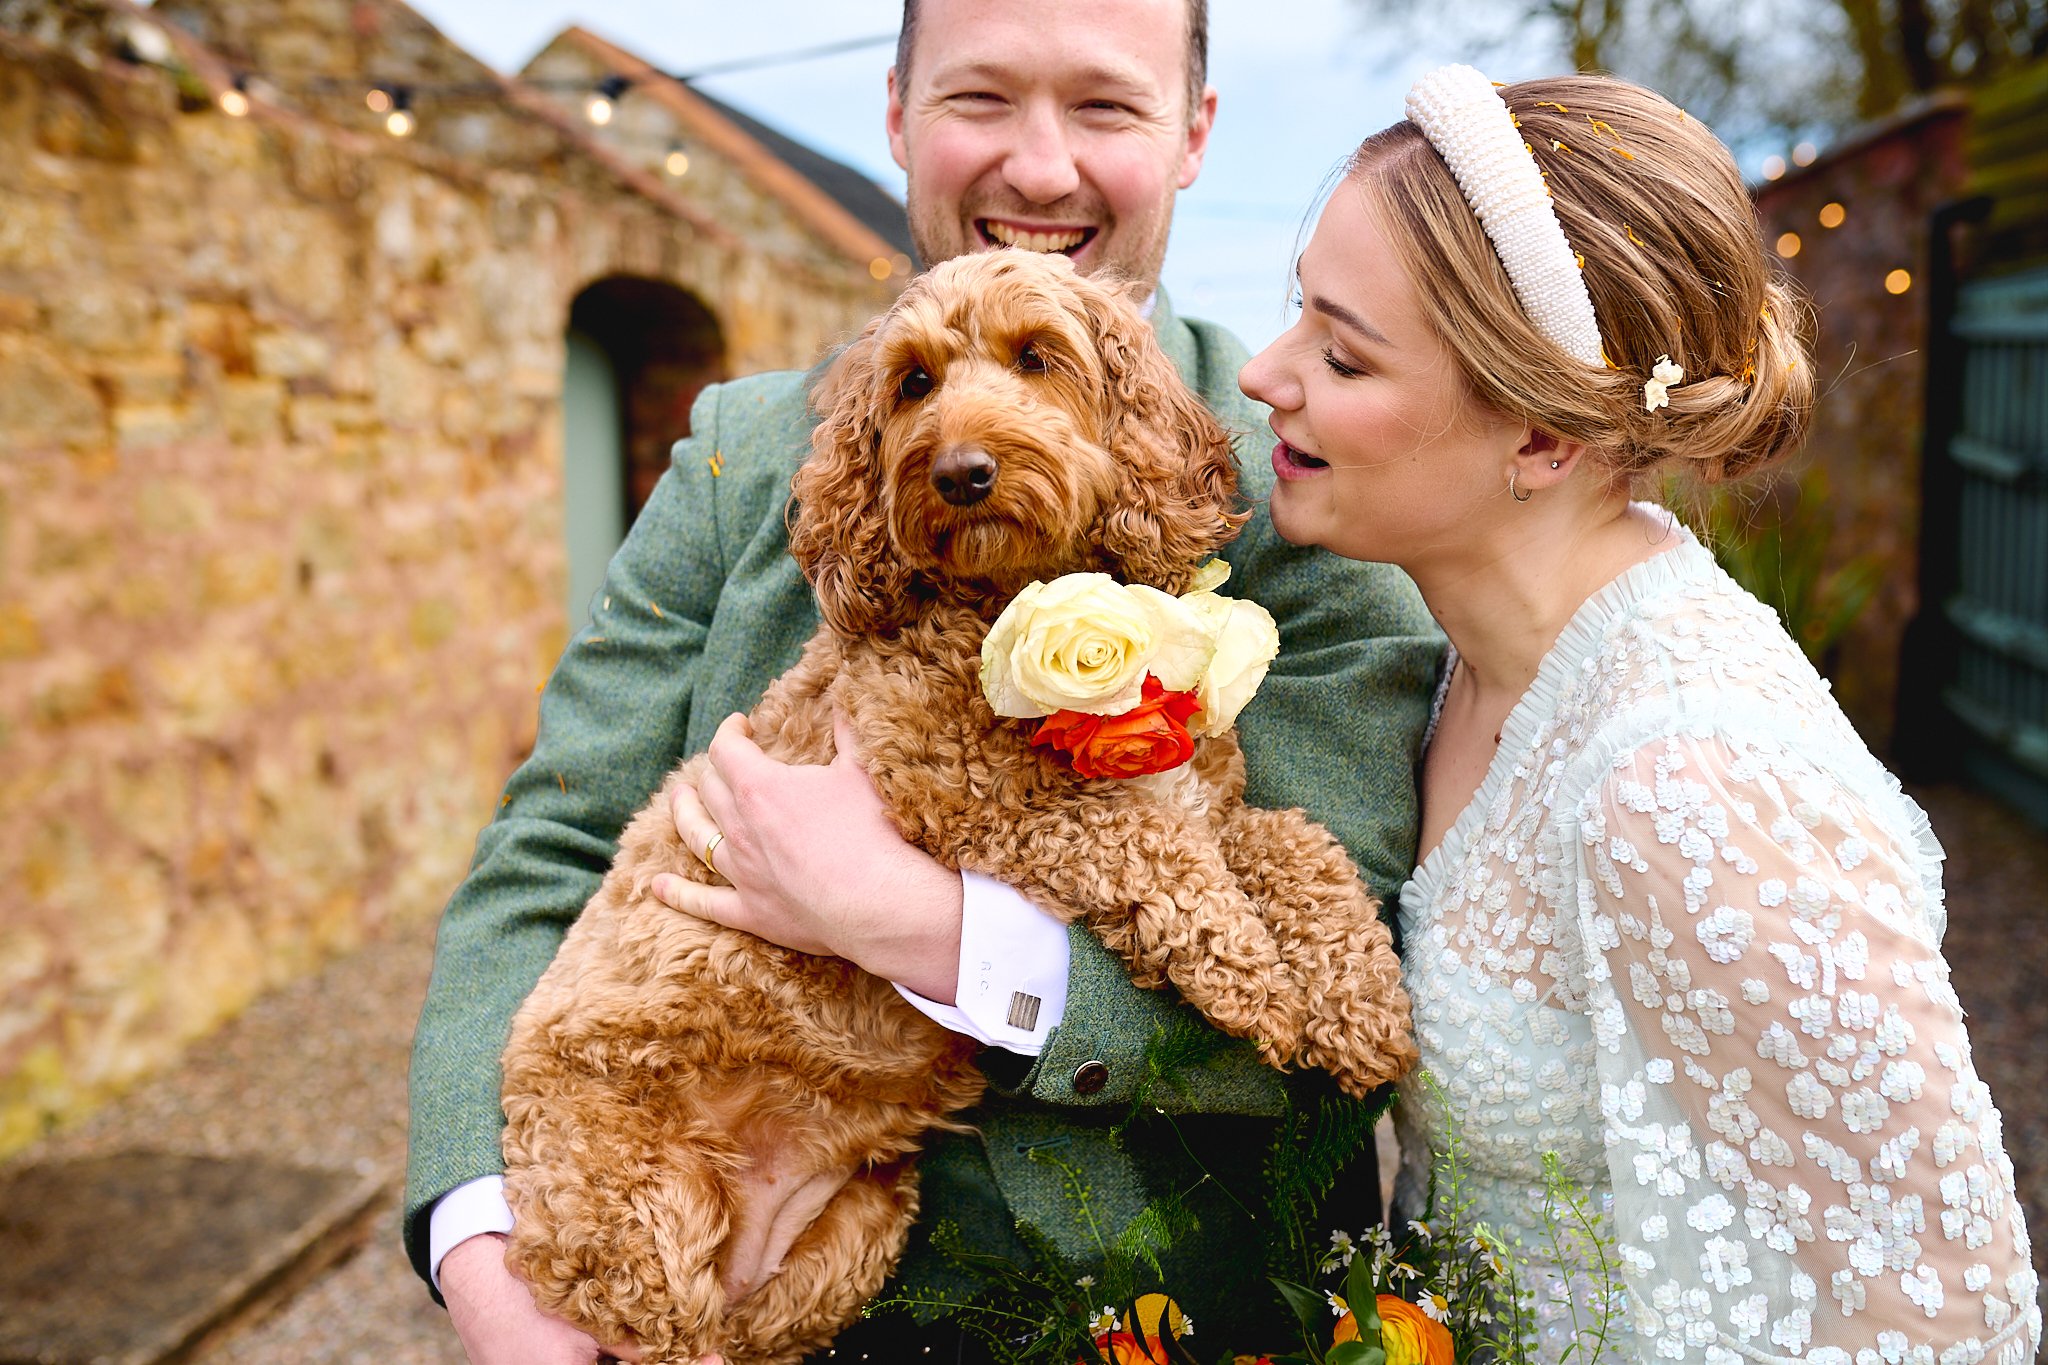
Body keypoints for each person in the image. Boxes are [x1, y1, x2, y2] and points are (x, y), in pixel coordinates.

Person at [405, 2, 1443, 1361]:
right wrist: (487, 1255)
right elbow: (545, 850)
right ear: (895, 113)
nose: (1040, 167)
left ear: (1193, 134)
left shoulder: (1299, 467)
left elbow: (1364, 958)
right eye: (981, 100)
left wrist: (928, 927)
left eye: (1105, 108)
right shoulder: (743, 451)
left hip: (1157, 1320)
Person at [1238, 65, 2041, 1364]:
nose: (1270, 374)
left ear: (1544, 442)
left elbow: (1947, 1308)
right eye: (1297, 317)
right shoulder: (1474, 652)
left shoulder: (1686, 772)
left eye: (1341, 351)